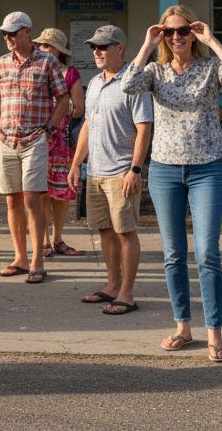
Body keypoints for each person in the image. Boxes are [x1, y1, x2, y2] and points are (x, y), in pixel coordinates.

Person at [123, 4, 222, 363]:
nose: (177, 37)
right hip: (165, 170)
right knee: (173, 254)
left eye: (183, 30)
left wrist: (212, 40)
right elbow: (128, 86)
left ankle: (215, 332)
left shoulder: (210, 68)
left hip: (207, 169)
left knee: (207, 252)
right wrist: (147, 44)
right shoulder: (155, 72)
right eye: (170, 31)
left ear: (192, 33)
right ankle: (182, 326)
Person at [67, 25, 151, 315]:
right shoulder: (95, 83)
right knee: (104, 229)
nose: (97, 51)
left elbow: (144, 129)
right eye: (94, 46)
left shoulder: (133, 82)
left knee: (125, 231)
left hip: (121, 172)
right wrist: (77, 164)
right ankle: (112, 285)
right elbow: (88, 126)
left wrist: (135, 170)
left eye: (103, 46)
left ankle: (127, 293)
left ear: (119, 48)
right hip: (96, 171)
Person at [0, 11, 67, 284]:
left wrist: (50, 129)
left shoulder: (47, 62)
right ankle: (19, 257)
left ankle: (37, 259)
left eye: (13, 32)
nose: (8, 38)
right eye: (5, 33)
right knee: (12, 199)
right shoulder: (0, 63)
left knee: (32, 198)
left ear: (27, 32)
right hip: (6, 139)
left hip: (34, 139)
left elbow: (63, 99)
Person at [33, 27, 85, 258]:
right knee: (41, 192)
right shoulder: (37, 70)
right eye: (40, 45)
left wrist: (59, 109)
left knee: (61, 193)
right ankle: (43, 241)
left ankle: (58, 239)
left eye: (47, 46)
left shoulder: (70, 73)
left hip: (62, 140)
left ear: (59, 50)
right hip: (41, 138)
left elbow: (79, 108)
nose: (41, 49)